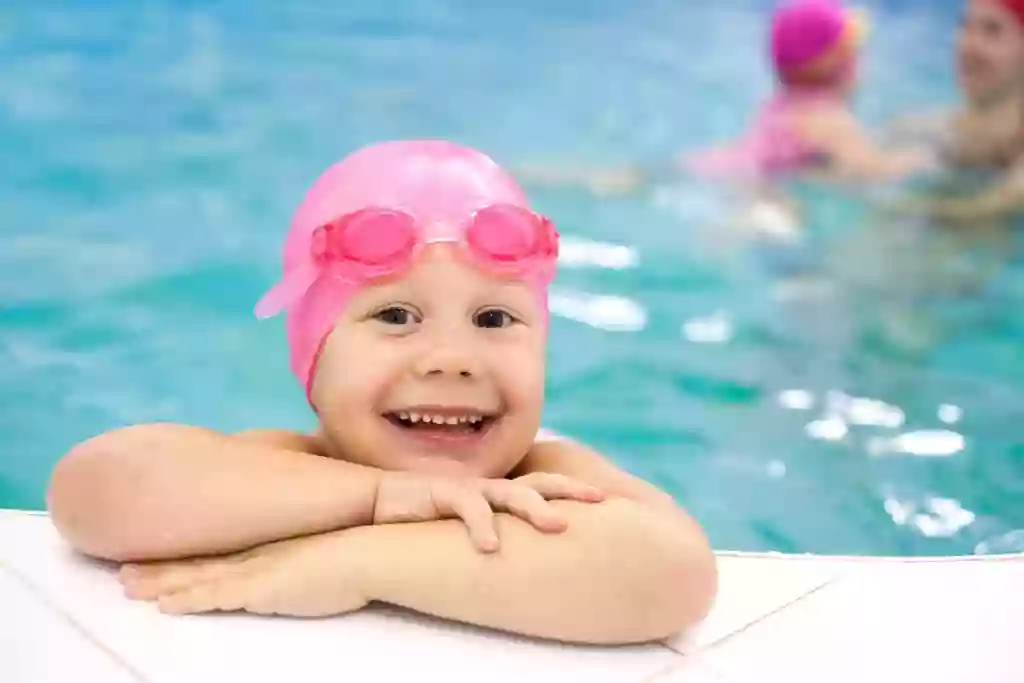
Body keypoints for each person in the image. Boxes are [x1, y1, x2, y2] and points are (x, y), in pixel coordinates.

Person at [45, 140, 718, 645]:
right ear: (314, 356)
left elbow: (674, 572)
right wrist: (378, 497)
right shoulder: (281, 466)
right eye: (395, 316)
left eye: (494, 319)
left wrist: (359, 560)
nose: (453, 360)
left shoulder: (545, 476)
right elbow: (89, 492)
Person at [888, 0, 1024, 221]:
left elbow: (983, 211)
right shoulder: (923, 126)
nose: (968, 45)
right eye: (964, 26)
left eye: (992, 31)